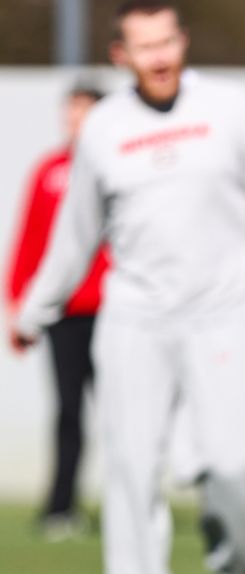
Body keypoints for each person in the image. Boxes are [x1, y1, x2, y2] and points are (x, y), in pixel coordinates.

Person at [11, 2, 245, 574]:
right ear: (121, 56)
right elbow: (75, 237)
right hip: (135, 323)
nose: (160, 57)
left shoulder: (234, 110)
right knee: (130, 475)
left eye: (168, 41)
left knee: (233, 467)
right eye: (144, 47)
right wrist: (34, 310)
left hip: (227, 315)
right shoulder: (103, 129)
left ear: (182, 41)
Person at [6, 81, 107, 541]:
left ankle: (134, 506)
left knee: (129, 415)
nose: (75, 123)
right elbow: (30, 240)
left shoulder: (118, 164)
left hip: (118, 313)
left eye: (83, 113)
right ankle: (59, 506)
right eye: (70, 113)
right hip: (67, 314)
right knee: (68, 411)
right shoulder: (49, 171)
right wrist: (20, 305)